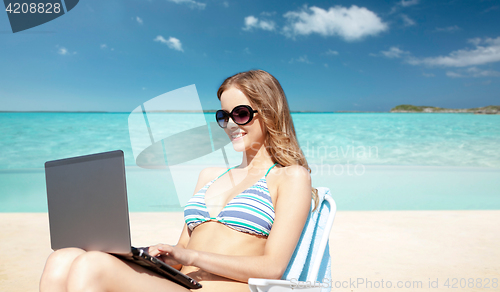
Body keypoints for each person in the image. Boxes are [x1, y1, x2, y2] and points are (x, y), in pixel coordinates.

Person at [39, 69, 319, 292]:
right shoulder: (210, 176)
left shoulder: (290, 177)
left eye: (241, 114)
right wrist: (163, 256)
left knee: (92, 265)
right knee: (62, 258)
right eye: (224, 116)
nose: (231, 125)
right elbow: (183, 248)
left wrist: (191, 258)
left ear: (269, 113)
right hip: (181, 281)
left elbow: (272, 268)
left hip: (219, 288)